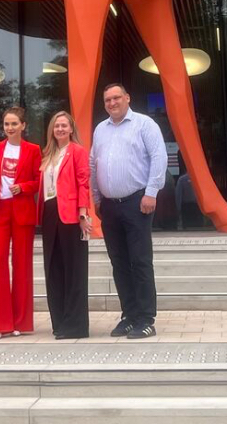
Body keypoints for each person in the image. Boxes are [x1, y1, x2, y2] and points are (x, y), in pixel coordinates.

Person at [90, 83, 167, 340]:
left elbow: (159, 157)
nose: (112, 103)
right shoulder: (101, 129)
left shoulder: (144, 124)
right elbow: (93, 164)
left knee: (140, 261)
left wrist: (151, 192)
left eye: (116, 98)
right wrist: (97, 198)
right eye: (107, 100)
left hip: (138, 202)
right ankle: (129, 315)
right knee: (119, 263)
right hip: (110, 206)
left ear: (127, 97)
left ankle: (146, 319)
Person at [0, 106, 41, 339]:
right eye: (7, 124)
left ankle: (21, 323)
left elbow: (38, 180)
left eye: (14, 123)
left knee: (22, 265)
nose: (10, 128)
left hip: (22, 211)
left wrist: (23, 187)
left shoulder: (33, 150)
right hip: (0, 211)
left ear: (23, 126)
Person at [38, 110, 92, 339]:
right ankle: (58, 322)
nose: (60, 129)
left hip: (70, 215)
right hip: (49, 214)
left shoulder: (77, 151)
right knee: (53, 269)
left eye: (64, 125)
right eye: (56, 126)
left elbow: (83, 182)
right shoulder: (48, 154)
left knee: (74, 270)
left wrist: (83, 214)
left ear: (71, 129)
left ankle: (75, 325)